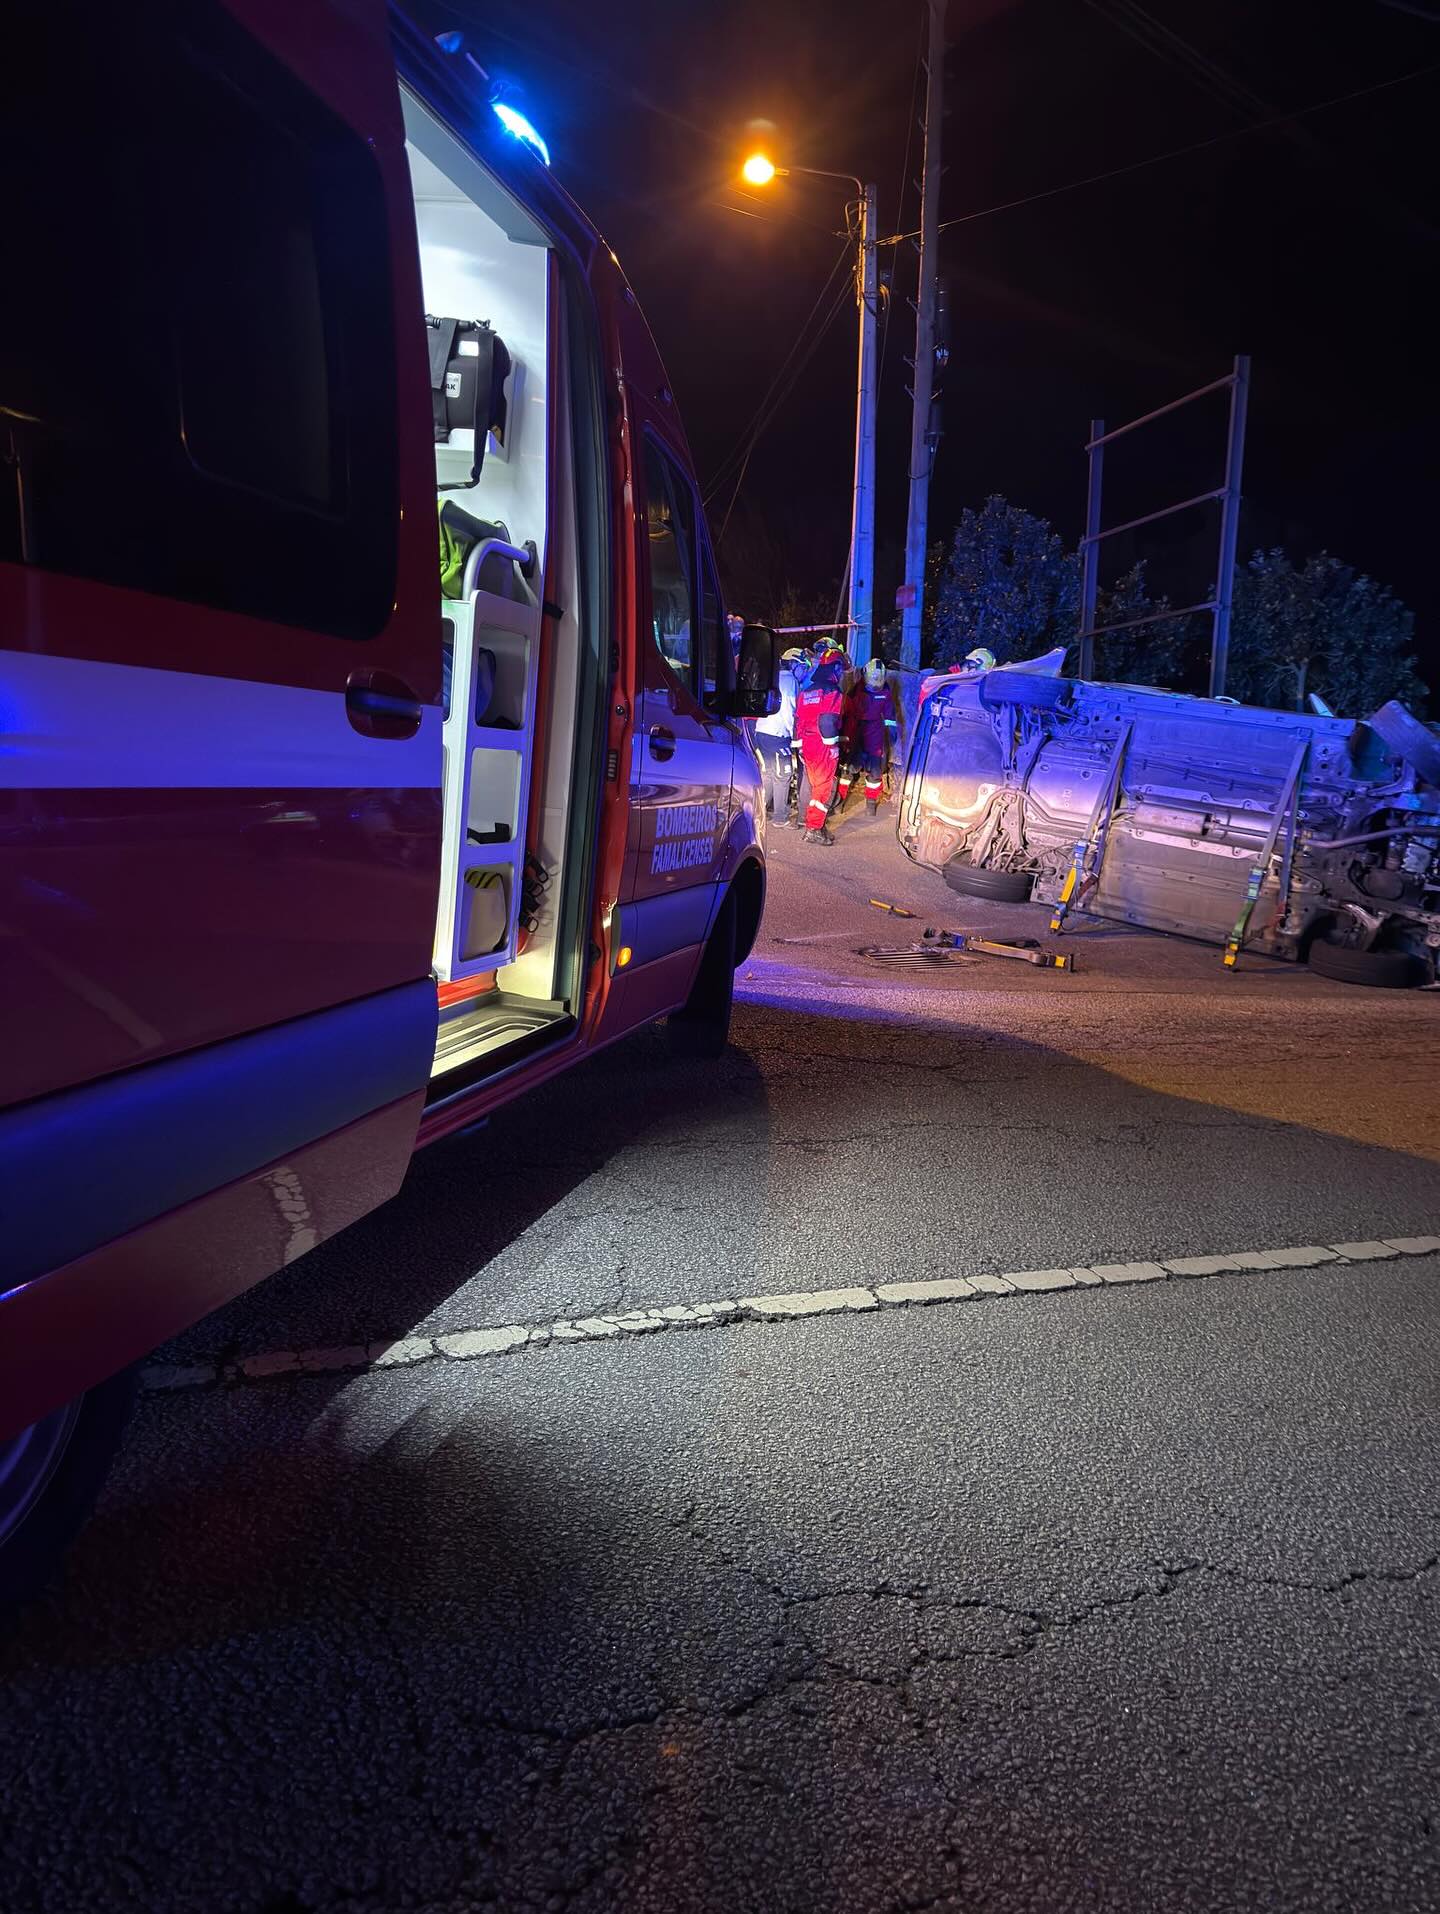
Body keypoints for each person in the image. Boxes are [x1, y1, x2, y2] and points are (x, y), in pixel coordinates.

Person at [793, 642, 846, 846]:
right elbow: (828, 720)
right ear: (835, 669)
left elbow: (798, 720)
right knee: (823, 788)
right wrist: (832, 746)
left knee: (814, 785)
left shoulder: (807, 691)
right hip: (823, 745)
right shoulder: (833, 691)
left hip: (807, 743)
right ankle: (813, 829)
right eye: (840, 668)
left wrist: (798, 746)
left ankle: (817, 825)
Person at [837, 657, 902, 816]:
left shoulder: (885, 692)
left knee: (875, 772)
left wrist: (892, 734)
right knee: (848, 770)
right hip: (856, 732)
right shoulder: (855, 691)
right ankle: (839, 801)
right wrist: (844, 735)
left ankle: (870, 804)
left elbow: (889, 716)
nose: (875, 686)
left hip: (875, 733)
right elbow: (846, 713)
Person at [753, 646, 805, 822]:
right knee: (783, 775)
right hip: (777, 736)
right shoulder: (790, 681)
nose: (804, 671)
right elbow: (790, 712)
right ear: (793, 664)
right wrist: (795, 737)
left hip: (761, 732)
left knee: (767, 774)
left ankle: (757, 812)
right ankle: (780, 817)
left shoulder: (773, 677)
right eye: (802, 666)